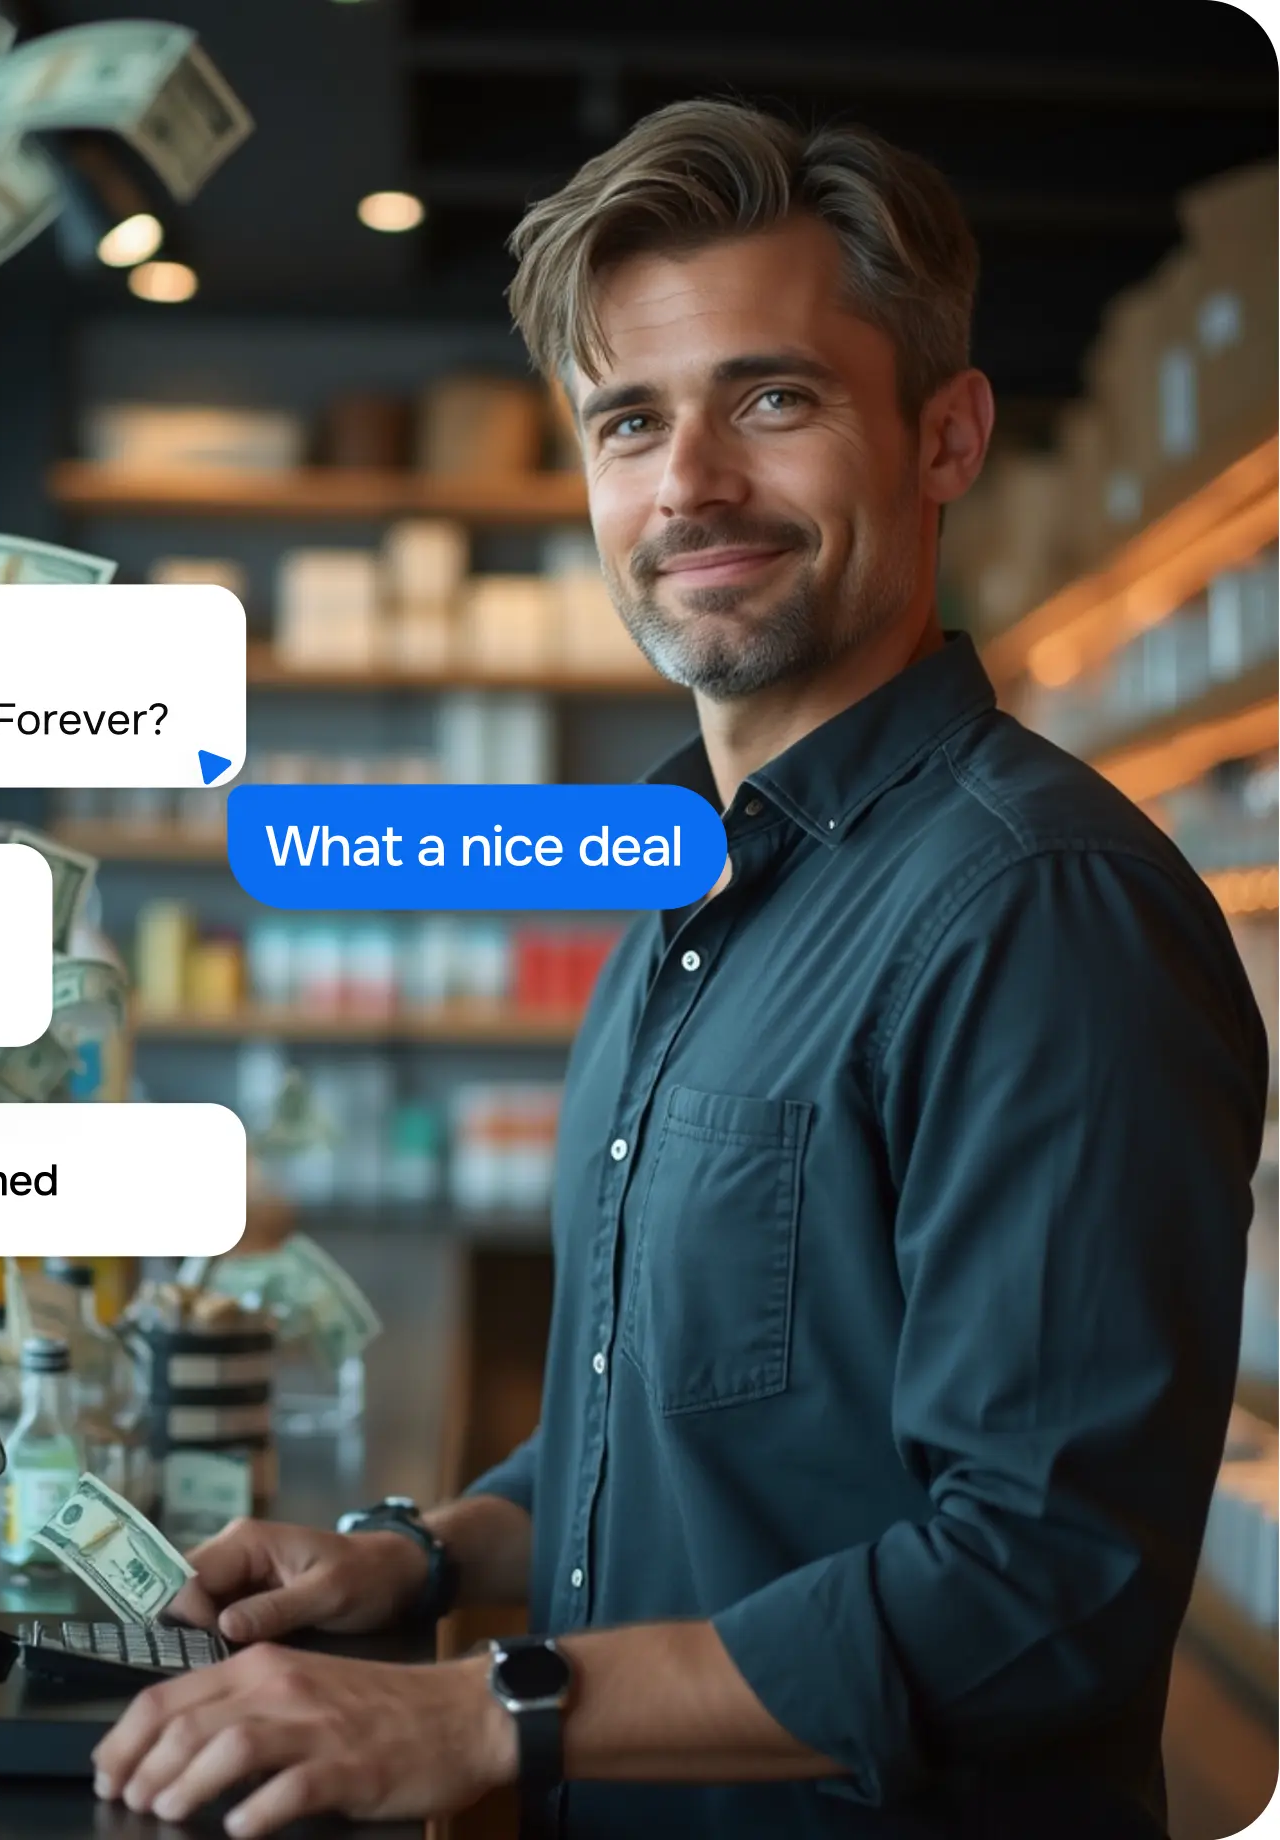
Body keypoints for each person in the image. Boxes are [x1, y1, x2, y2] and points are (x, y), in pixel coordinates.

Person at [90, 97, 1270, 1840]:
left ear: (944, 438)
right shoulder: (689, 892)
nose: (689, 485)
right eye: (627, 421)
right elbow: (679, 1427)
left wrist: (478, 1714)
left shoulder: (1039, 905)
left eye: (770, 400)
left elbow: (1040, 1588)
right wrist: (422, 1560)